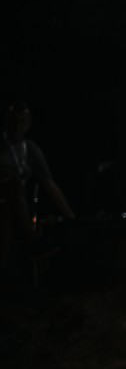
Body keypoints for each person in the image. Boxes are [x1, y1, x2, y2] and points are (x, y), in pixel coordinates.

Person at [0, 101, 76, 274]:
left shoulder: (30, 149)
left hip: (12, 204)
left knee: (5, 212)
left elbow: (48, 184)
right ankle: (32, 240)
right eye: (13, 120)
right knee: (11, 186)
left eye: (22, 121)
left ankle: (7, 270)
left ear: (28, 124)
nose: (17, 126)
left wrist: (70, 217)